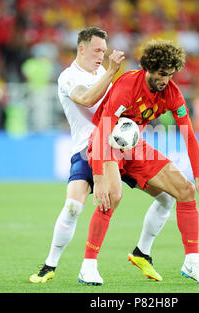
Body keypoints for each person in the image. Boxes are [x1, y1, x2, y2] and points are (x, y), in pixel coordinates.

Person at [29, 27, 175, 283]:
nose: (101, 55)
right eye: (97, 50)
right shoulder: (68, 77)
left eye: (104, 51)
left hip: (121, 147)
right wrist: (111, 72)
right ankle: (50, 265)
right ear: (81, 48)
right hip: (89, 150)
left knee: (166, 198)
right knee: (74, 206)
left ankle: (142, 252)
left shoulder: (104, 73)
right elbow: (85, 99)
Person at [78, 39, 199, 286]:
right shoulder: (129, 85)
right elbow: (104, 130)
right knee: (112, 196)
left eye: (171, 75)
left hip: (134, 144)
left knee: (184, 190)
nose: (166, 80)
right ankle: (88, 266)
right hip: (107, 141)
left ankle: (184, 260)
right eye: (162, 74)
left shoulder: (172, 92)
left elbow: (189, 136)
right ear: (149, 68)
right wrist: (98, 177)